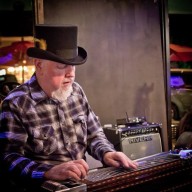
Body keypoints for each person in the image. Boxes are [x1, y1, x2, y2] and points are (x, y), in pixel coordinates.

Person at [0, 25, 138, 191]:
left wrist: (107, 153)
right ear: (39, 65)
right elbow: (8, 157)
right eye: (61, 66)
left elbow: (94, 135)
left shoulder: (77, 92)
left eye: (72, 66)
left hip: (82, 185)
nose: (71, 74)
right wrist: (48, 172)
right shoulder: (16, 103)